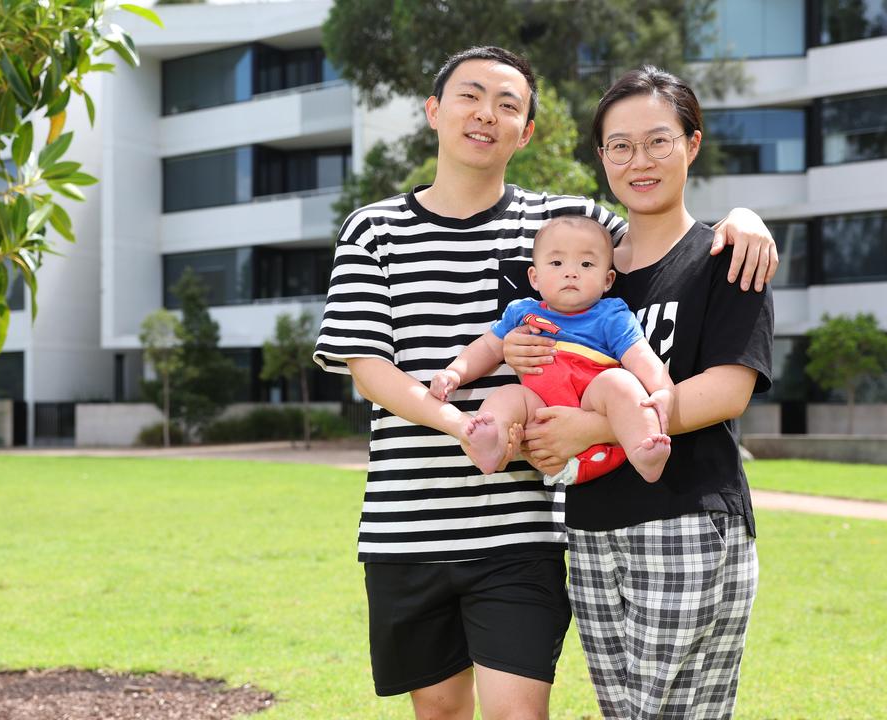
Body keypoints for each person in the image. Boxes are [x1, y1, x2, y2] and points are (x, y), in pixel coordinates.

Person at [313, 46, 777, 720]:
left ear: (527, 130)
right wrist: (461, 422)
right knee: (439, 710)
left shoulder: (561, 224)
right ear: (434, 111)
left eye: (509, 105)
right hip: (406, 522)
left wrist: (743, 219)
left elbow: (666, 233)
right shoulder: (374, 229)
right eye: (470, 97)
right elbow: (369, 369)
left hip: (523, 526)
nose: (487, 115)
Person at [505, 66, 774, 719]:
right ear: (601, 157)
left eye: (658, 141)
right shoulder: (582, 270)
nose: (639, 160)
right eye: (619, 145)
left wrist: (593, 429)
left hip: (687, 517)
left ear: (692, 144)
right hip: (593, 526)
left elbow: (727, 390)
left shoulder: (726, 256)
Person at [428, 215, 673, 482]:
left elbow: (641, 357)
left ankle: (645, 450)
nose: (571, 272)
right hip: (541, 425)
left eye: (587, 264)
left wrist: (663, 391)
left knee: (619, 381)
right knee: (509, 396)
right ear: (534, 277)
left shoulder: (611, 315)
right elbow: (487, 347)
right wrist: (454, 374)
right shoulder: (523, 313)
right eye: (556, 263)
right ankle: (493, 446)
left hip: (595, 420)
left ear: (607, 280)